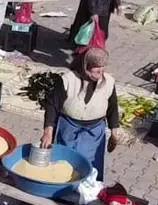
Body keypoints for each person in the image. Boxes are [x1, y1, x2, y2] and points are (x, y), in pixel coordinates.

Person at [41, 47, 121, 180]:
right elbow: (52, 106)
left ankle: (86, 193)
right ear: (85, 67)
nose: (100, 74)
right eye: (96, 71)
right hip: (69, 127)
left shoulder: (109, 82)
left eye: (103, 70)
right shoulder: (67, 80)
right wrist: (48, 131)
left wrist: (114, 133)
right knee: (64, 163)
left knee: (91, 167)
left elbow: (112, 107)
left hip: (95, 131)